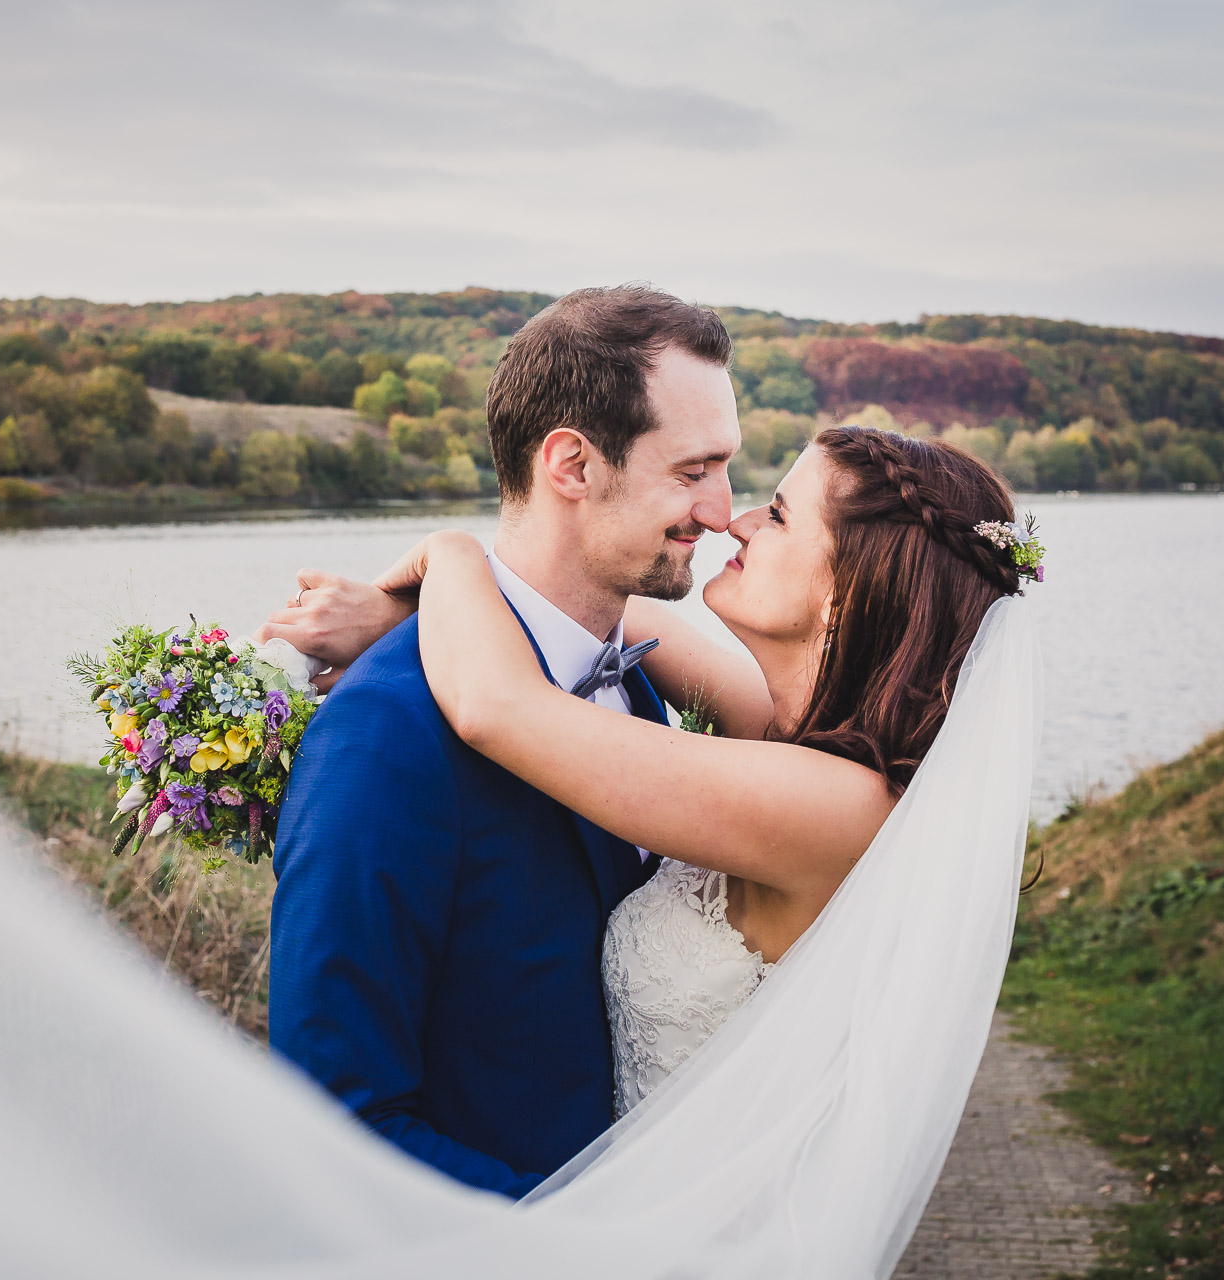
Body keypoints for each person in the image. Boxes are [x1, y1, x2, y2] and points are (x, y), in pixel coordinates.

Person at [271, 418, 1040, 1164]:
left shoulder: (841, 807)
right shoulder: (793, 732)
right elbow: (599, 599)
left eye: (776, 516)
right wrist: (406, 615)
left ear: (844, 594)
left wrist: (449, 557)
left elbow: (496, 707)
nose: (734, 521)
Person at [259, 285, 743, 1197]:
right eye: (692, 471)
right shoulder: (386, 736)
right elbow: (332, 1126)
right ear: (571, 464)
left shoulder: (638, 679)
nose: (722, 511)